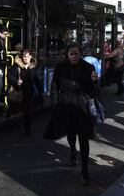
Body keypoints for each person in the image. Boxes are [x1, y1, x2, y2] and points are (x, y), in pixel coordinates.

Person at [44, 43, 98, 185]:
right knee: (70, 133)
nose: (74, 56)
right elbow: (54, 88)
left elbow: (93, 90)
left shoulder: (88, 67)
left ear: (80, 54)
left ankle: (85, 170)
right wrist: (54, 105)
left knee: (84, 138)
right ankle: (73, 150)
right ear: (67, 55)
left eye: (76, 54)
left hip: (81, 105)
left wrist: (94, 81)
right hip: (66, 103)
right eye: (71, 54)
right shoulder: (60, 68)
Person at [8, 49, 43, 136]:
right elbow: (9, 76)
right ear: (22, 57)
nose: (25, 58)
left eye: (27, 56)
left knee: (28, 112)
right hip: (18, 92)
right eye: (24, 56)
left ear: (30, 57)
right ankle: (9, 112)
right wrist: (16, 81)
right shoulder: (16, 66)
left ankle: (28, 129)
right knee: (16, 109)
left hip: (29, 93)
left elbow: (37, 80)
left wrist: (41, 91)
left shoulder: (34, 67)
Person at [0, 24, 9, 108]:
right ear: (0, 33)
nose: (6, 35)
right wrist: (3, 63)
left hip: (0, 66)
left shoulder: (0, 41)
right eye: (5, 34)